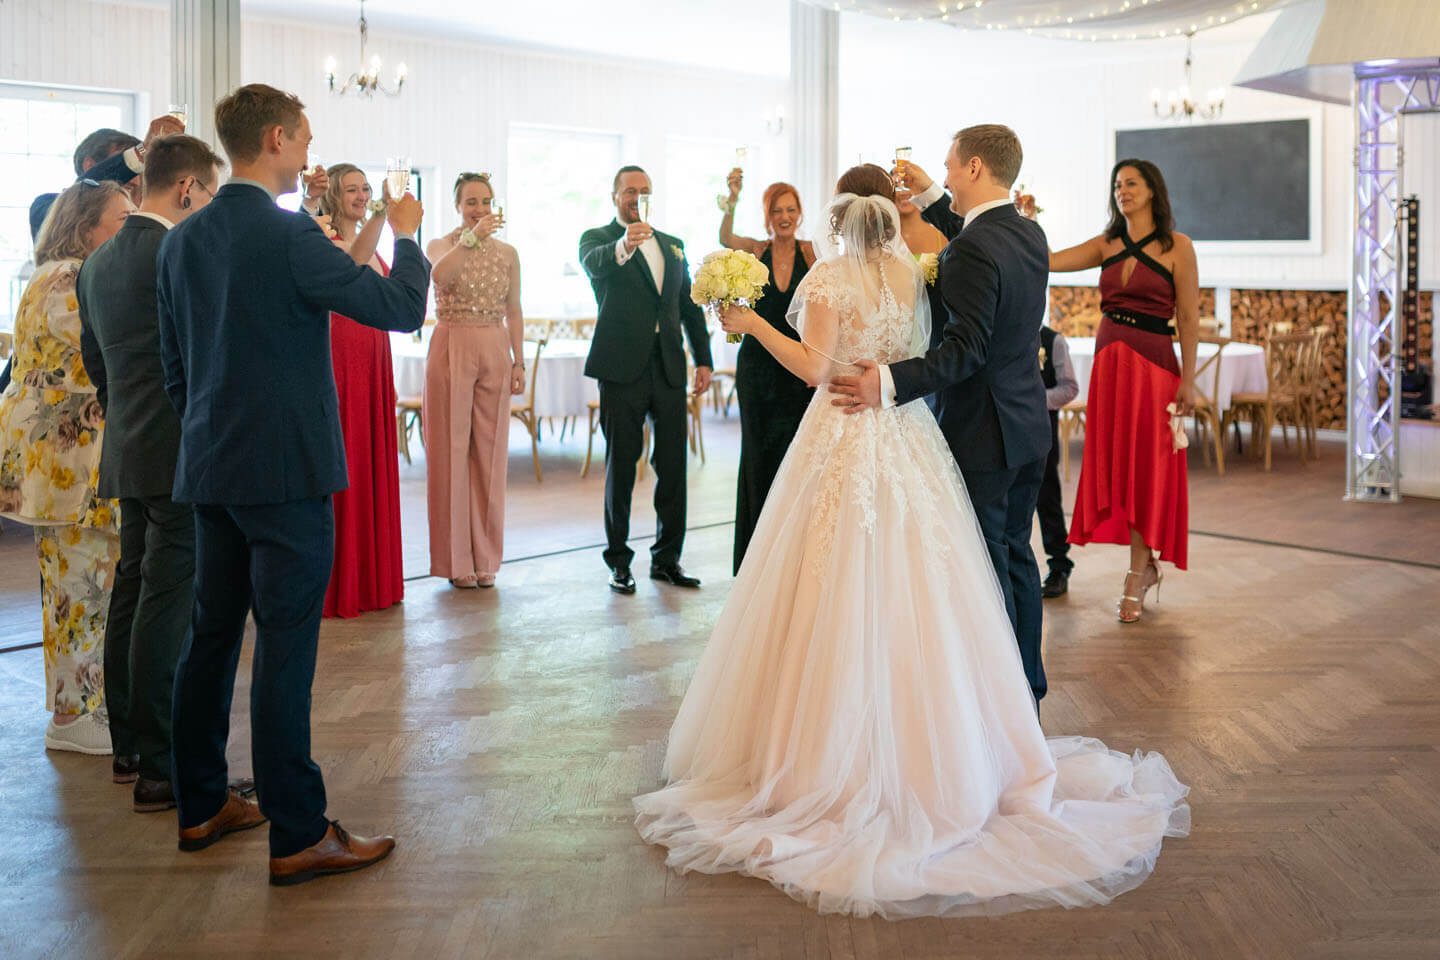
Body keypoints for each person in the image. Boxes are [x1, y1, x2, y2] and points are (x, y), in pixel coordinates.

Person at [634, 184, 1189, 919]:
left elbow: (816, 369)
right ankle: (955, 755)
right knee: (928, 583)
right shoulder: (911, 274)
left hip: (844, 432)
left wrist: (751, 323)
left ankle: (826, 766)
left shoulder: (829, 278)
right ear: (887, 222)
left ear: (838, 224)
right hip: (907, 432)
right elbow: (923, 349)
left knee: (832, 583)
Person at [157, 83, 429, 885]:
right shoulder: (290, 236)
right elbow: (399, 308)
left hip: (210, 466)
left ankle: (201, 803)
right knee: (283, 646)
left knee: (210, 636)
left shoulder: (181, 240)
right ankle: (300, 832)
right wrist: (408, 235)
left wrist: (208, 436)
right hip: (286, 473)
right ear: (276, 139)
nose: (310, 151)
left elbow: (175, 369)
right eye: (305, 138)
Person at [833, 126, 1053, 704]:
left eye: (951, 167)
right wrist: (932, 194)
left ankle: (1003, 701)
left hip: (985, 433)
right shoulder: (1027, 232)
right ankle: (1028, 690)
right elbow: (973, 243)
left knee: (986, 567)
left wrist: (886, 380)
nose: (948, 176)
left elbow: (966, 350)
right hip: (1028, 428)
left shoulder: (978, 247)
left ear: (975, 167)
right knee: (1017, 557)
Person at [76, 135, 224, 807]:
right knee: (168, 599)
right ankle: (164, 767)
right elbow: (203, 354)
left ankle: (130, 748)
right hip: (179, 447)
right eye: (209, 193)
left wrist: (128, 421)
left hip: (128, 444)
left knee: (132, 589)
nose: (209, 206)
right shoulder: (180, 251)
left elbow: (98, 364)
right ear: (187, 187)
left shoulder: (97, 262)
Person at [1018, 160, 1198, 622]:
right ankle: (1145, 565)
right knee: (1120, 467)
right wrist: (1030, 220)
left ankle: (1137, 573)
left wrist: (1190, 378)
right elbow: (1050, 260)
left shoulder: (1178, 246)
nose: (1123, 191)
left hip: (1155, 369)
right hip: (1111, 367)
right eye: (1118, 185)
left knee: (1146, 469)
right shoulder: (1107, 243)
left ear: (1152, 190)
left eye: (1131, 183)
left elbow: (1189, 317)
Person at [0, 180, 133, 756]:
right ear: (85, 230)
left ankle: (85, 703)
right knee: (80, 587)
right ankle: (73, 714)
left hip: (67, 460)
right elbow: (112, 348)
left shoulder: (57, 275)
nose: (130, 229)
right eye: (121, 220)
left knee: (84, 583)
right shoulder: (68, 281)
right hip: (69, 465)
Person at [579, 166, 713, 594]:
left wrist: (704, 359)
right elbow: (594, 265)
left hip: (669, 367)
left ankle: (667, 559)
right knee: (621, 465)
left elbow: (688, 306)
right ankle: (619, 562)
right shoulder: (598, 240)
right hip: (621, 369)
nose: (637, 197)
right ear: (614, 196)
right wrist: (625, 243)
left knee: (673, 466)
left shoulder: (673, 245)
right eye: (630, 190)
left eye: (645, 190)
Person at [423, 172, 524, 589]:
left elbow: (514, 308)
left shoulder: (509, 253)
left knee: (490, 451)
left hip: (495, 346)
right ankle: (455, 559)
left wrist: (519, 362)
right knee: (450, 451)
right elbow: (439, 276)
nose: (479, 209)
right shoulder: (440, 245)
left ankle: (486, 557)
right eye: (470, 202)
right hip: (452, 343)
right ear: (457, 206)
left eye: (485, 201)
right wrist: (471, 239)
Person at [317, 163, 405, 615]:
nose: (361, 195)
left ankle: (373, 577)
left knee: (370, 458)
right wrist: (383, 211)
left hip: (375, 358)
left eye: (366, 188)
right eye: (352, 189)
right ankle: (341, 582)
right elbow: (353, 262)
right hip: (342, 359)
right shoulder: (325, 240)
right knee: (347, 456)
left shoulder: (371, 241)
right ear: (333, 194)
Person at [717, 170, 815, 572]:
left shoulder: (812, 252)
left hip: (800, 369)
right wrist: (732, 199)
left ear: (800, 213)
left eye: (791, 210)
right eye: (777, 211)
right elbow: (725, 237)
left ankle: (792, 554)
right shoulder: (755, 251)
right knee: (758, 456)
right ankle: (754, 558)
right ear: (768, 216)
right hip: (757, 371)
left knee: (798, 456)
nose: (785, 217)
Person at [1036, 324, 1080, 598]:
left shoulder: (1053, 341)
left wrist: (1034, 398)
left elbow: (1069, 387)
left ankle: (1059, 565)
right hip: (1007, 430)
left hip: (1042, 433)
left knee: (1047, 499)